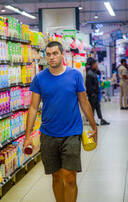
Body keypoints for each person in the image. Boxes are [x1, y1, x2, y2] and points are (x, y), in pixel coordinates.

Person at [23, 41, 98, 202]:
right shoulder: (39, 78)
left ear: (62, 54)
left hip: (72, 133)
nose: (51, 57)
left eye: (55, 53)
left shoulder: (75, 75)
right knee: (56, 176)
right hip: (48, 134)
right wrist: (27, 136)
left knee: (70, 177)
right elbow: (33, 108)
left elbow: (84, 102)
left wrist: (94, 125)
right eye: (48, 54)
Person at [86, 57, 110, 126]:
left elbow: (98, 72)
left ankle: (101, 119)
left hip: (96, 93)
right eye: (96, 64)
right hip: (93, 94)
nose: (97, 65)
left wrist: (97, 69)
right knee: (92, 108)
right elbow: (88, 85)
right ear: (92, 65)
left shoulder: (93, 71)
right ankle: (91, 121)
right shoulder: (89, 74)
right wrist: (91, 94)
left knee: (97, 107)